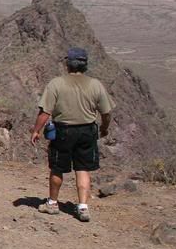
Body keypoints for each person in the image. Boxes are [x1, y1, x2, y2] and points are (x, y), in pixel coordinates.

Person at [29, 47, 113, 222]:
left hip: (63, 131)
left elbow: (45, 112)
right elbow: (106, 113)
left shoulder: (56, 84)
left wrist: (36, 130)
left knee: (58, 167)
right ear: (85, 65)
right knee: (82, 168)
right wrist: (104, 128)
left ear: (68, 64)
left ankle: (52, 203)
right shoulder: (95, 84)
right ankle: (83, 208)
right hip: (87, 131)